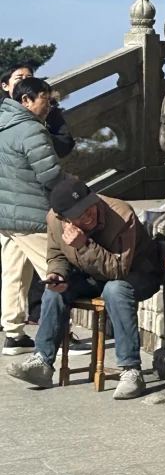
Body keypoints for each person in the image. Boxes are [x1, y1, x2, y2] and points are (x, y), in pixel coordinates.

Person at [7, 177, 160, 397]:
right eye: (80, 214)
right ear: (64, 219)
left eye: (89, 207)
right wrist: (57, 273)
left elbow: (118, 271)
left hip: (137, 275)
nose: (89, 214)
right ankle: (42, 362)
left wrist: (83, 245)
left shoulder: (122, 214)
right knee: (55, 289)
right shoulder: (53, 220)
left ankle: (131, 370)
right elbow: (57, 254)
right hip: (91, 275)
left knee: (114, 289)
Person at [0, 77, 62, 356]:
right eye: (44, 99)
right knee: (56, 274)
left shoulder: (3, 125)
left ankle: (13, 334)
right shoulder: (30, 130)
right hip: (32, 214)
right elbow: (49, 174)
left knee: (14, 275)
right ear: (26, 100)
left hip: (6, 214)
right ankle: (58, 336)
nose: (48, 105)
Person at [0, 65, 75, 159]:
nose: (24, 81)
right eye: (19, 78)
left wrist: (41, 138)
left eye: (29, 77)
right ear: (5, 86)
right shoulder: (3, 113)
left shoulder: (48, 108)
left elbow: (66, 142)